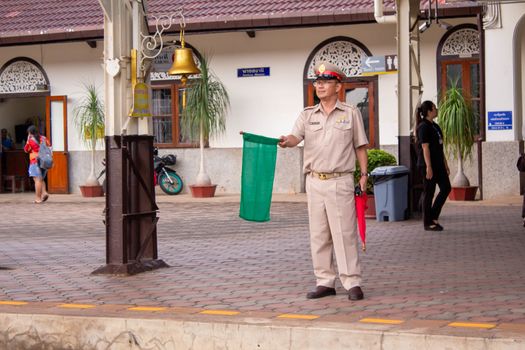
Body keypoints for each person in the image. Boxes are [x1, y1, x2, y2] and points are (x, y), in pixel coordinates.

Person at [279, 62, 369, 301]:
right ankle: (325, 281)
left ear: (338, 86)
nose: (319, 85)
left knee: (345, 233)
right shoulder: (307, 115)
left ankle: (352, 282)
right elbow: (294, 137)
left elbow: (360, 146)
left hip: (340, 180)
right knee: (319, 234)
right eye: (317, 81)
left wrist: (363, 175)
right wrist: (285, 140)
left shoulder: (350, 113)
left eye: (325, 81)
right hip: (315, 181)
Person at [416, 100, 451, 231]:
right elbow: (425, 148)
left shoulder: (435, 126)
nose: (437, 110)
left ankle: (434, 216)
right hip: (427, 165)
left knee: (446, 188)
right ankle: (427, 222)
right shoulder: (423, 127)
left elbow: (440, 147)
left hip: (439, 164)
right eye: (435, 108)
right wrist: (428, 167)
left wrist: (445, 163)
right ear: (429, 111)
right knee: (429, 192)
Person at [23, 125, 50, 203]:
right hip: (44, 161)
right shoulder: (44, 138)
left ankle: (38, 198)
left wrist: (28, 139)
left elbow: (26, 149)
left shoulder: (31, 140)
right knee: (41, 178)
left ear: (30, 132)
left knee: (37, 179)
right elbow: (49, 145)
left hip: (35, 161)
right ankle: (44, 192)